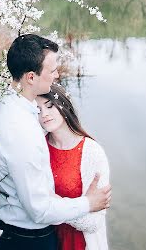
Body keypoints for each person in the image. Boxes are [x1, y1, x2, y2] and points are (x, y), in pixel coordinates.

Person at [0, 34, 111, 250]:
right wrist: (88, 203)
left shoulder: (5, 104)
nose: (56, 75)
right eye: (52, 70)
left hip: (10, 229)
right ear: (31, 77)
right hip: (28, 239)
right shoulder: (23, 130)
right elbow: (39, 210)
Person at [37, 83, 109, 250]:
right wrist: (84, 204)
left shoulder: (92, 152)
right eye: (38, 110)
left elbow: (93, 223)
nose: (44, 114)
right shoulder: (37, 147)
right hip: (43, 240)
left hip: (78, 243)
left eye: (49, 106)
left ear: (64, 105)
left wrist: (50, 201)